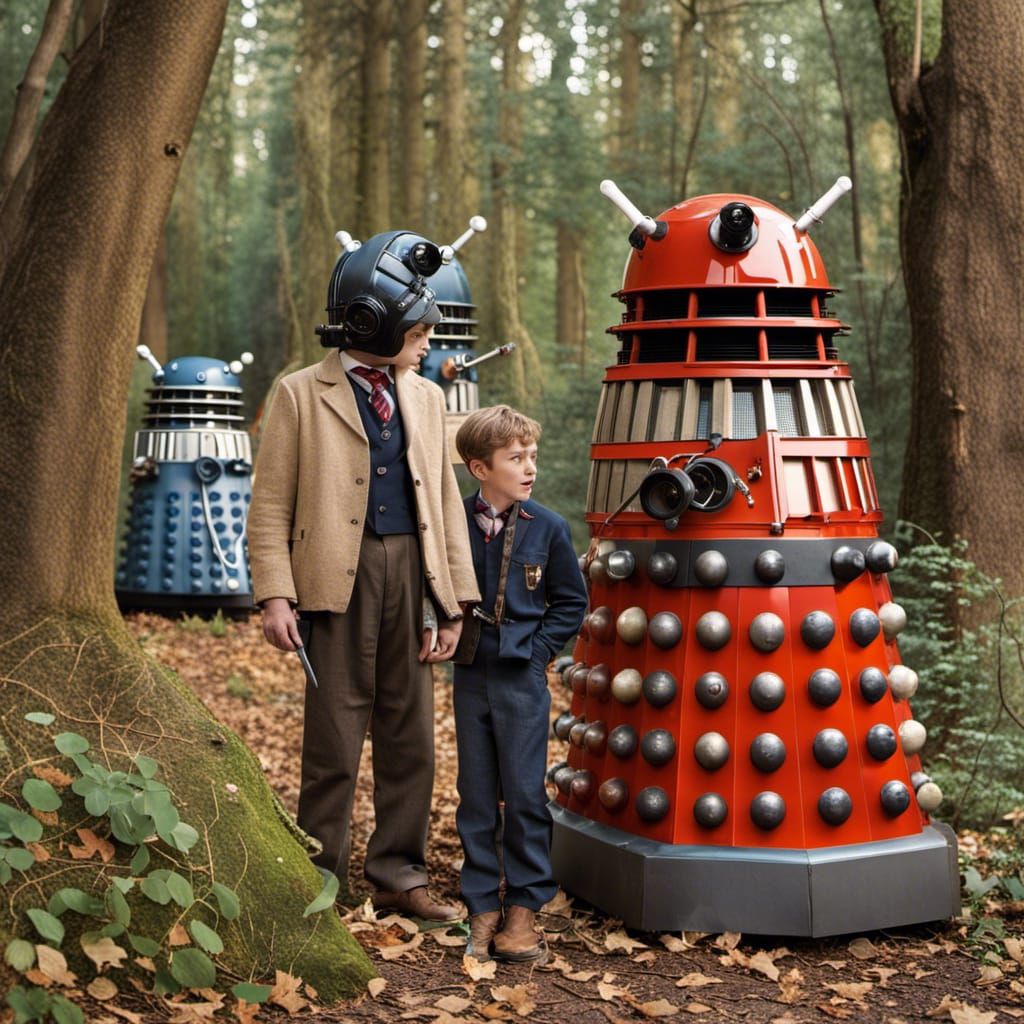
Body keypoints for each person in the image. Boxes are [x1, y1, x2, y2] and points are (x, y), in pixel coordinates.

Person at [247, 230, 480, 921]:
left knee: (411, 739)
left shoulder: (429, 400)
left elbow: (443, 499)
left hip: (413, 575)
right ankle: (322, 876)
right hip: (332, 582)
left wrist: (455, 600)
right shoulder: (298, 394)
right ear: (373, 326)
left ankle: (399, 875)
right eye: (417, 333)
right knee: (334, 743)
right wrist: (275, 595)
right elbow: (270, 505)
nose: (428, 345)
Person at [452, 405, 588, 963]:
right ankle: (482, 904)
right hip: (469, 676)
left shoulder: (548, 527)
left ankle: (525, 908)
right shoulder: (453, 522)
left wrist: (534, 656)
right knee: (477, 794)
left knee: (526, 795)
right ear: (480, 468)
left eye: (532, 456)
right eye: (516, 459)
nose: (529, 468)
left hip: (522, 682)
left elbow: (571, 602)